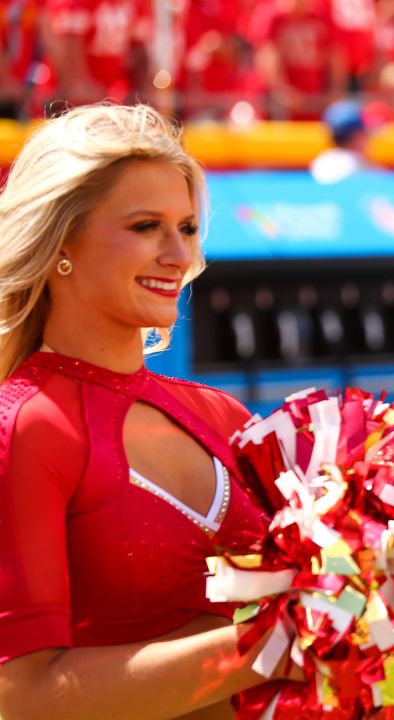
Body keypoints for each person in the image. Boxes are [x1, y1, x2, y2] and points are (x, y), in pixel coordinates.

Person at [0, 104, 295, 718]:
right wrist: (279, 642)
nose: (176, 253)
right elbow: (22, 696)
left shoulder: (222, 417)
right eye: (145, 226)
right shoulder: (26, 426)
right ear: (59, 241)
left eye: (187, 228)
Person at [309, 98, 374, 185]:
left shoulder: (321, 161)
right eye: (364, 133)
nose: (367, 139)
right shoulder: (358, 165)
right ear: (354, 136)